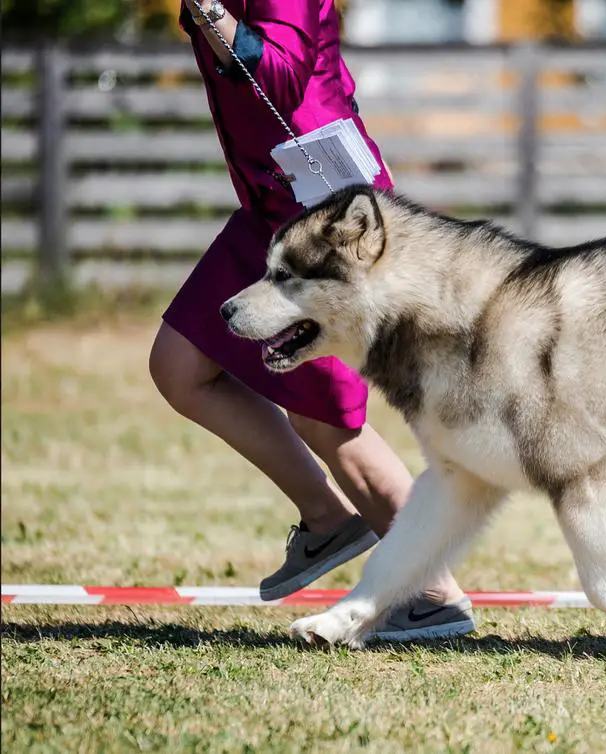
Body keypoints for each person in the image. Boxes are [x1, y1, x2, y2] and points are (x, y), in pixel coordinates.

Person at [149, 0, 474, 642]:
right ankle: (327, 518)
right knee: (179, 365)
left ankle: (433, 594)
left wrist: (209, 9)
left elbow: (281, 77)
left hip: (327, 216)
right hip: (271, 203)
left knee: (329, 419)